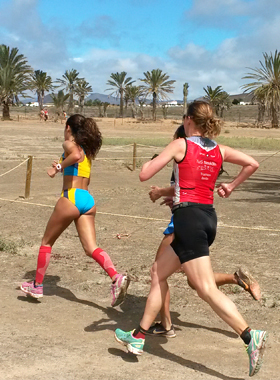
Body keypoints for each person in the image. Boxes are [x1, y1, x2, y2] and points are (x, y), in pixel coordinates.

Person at [114, 101, 267, 377]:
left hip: (188, 220)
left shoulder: (181, 144)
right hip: (207, 218)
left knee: (206, 289)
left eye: (184, 118)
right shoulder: (219, 149)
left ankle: (249, 336)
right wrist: (230, 186)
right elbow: (252, 163)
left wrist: (153, 160)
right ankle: (138, 336)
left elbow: (144, 174)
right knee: (158, 272)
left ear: (187, 120)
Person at [146, 125, 261, 338]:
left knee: (166, 276)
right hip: (201, 219)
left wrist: (161, 192)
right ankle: (237, 279)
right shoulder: (208, 155)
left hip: (183, 223)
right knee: (189, 280)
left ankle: (166, 325)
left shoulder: (183, 152)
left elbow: (180, 185)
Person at [21, 114, 129, 307]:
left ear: (69, 128)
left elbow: (74, 155)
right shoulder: (87, 151)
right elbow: (79, 165)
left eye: (65, 128)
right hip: (87, 200)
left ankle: (36, 285)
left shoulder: (69, 144)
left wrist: (57, 168)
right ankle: (116, 277)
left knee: (46, 242)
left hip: (71, 197)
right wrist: (62, 165)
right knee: (91, 248)